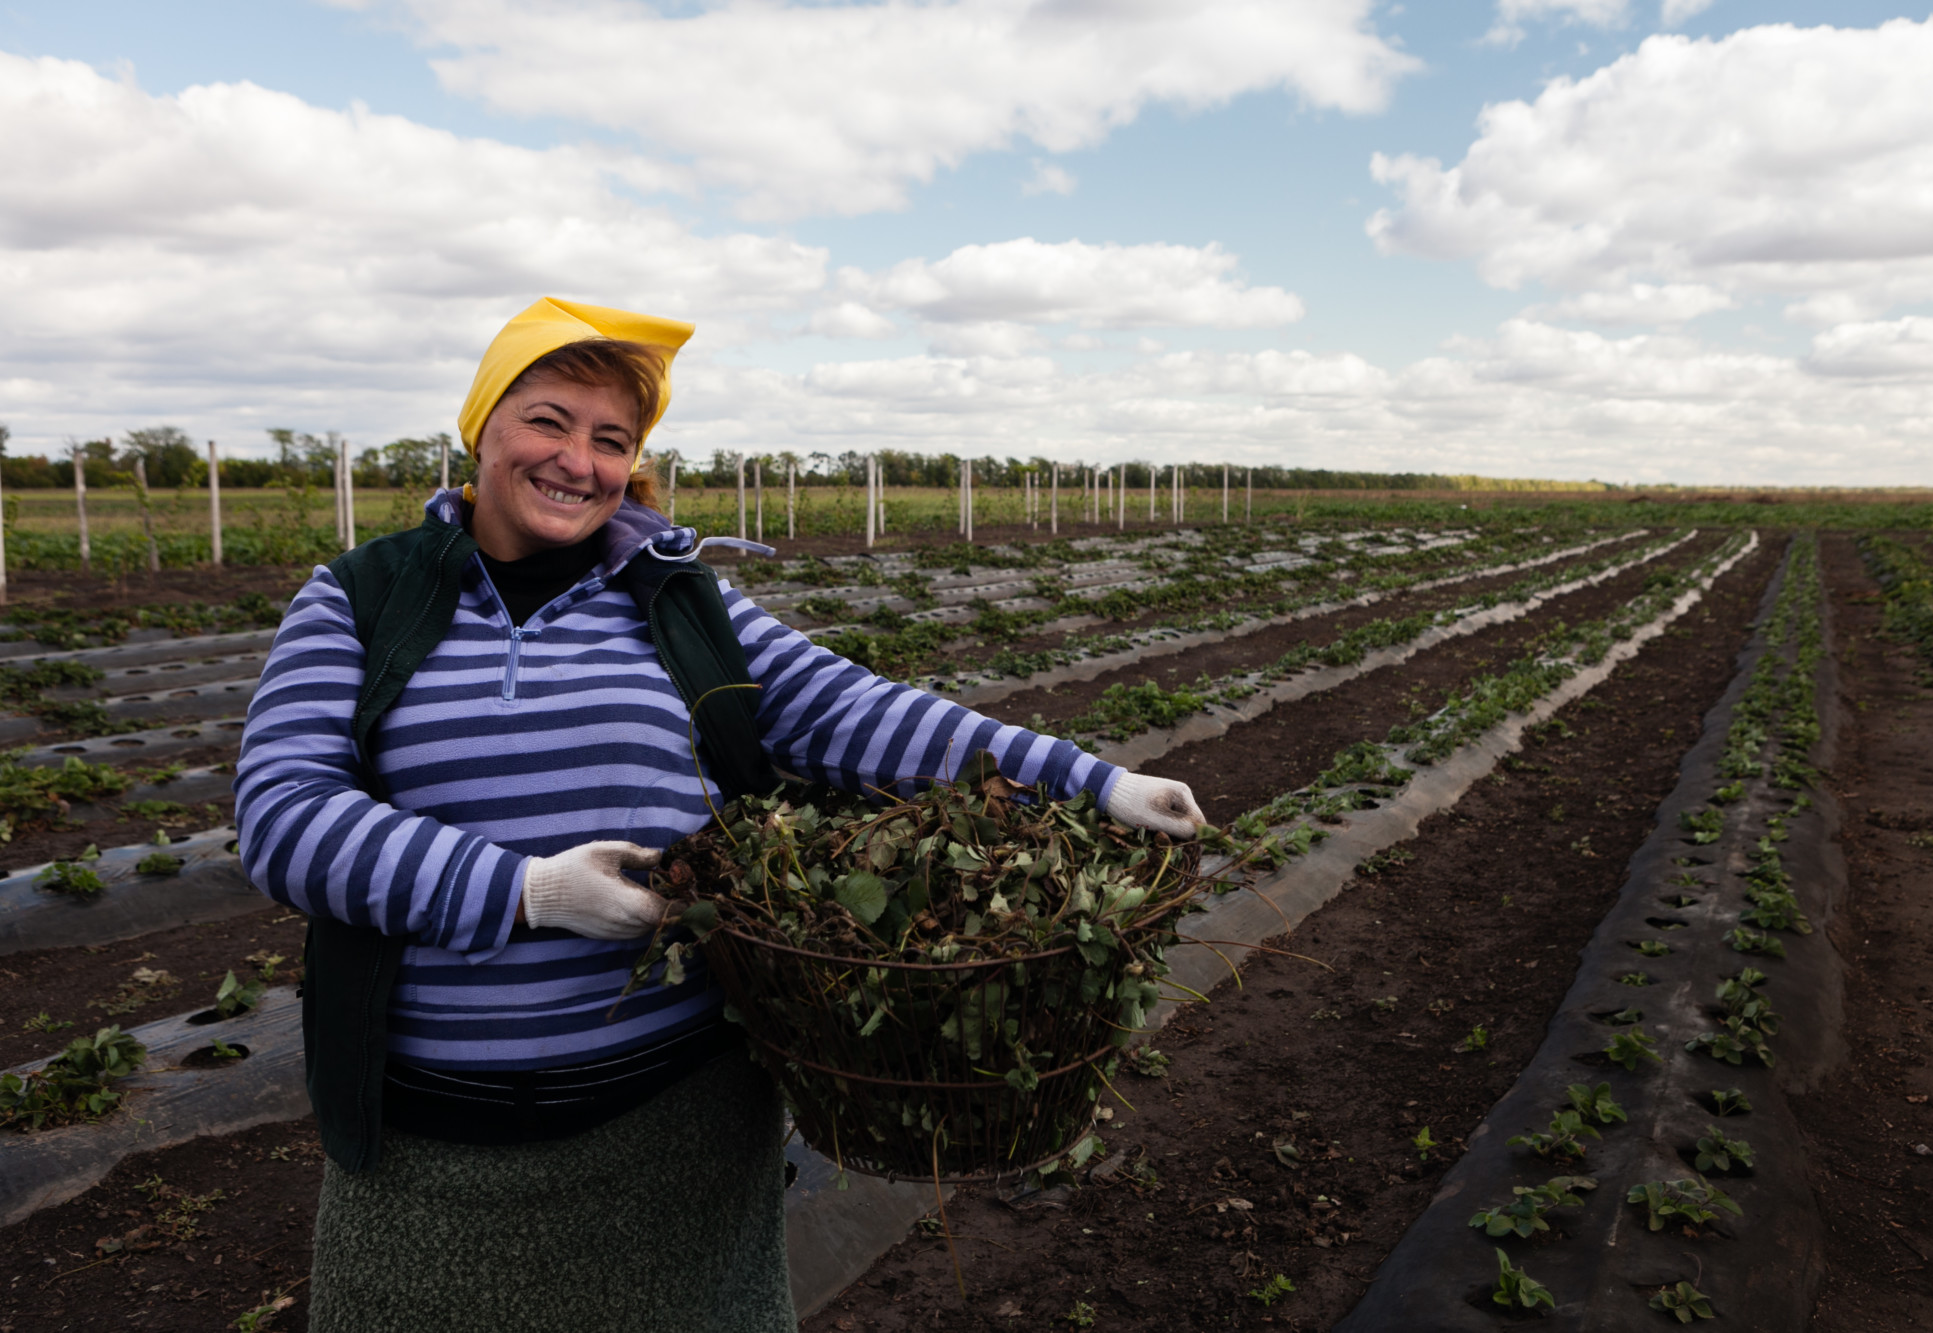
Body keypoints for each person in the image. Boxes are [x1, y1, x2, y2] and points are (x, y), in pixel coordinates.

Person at [234, 297, 1208, 1332]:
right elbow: (284, 815)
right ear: (482, 429)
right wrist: (529, 891)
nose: (577, 460)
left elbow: (850, 711)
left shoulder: (675, 599)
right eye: (547, 420)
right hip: (428, 1144)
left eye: (612, 439)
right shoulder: (360, 599)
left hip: (678, 1132)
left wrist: (1091, 781)